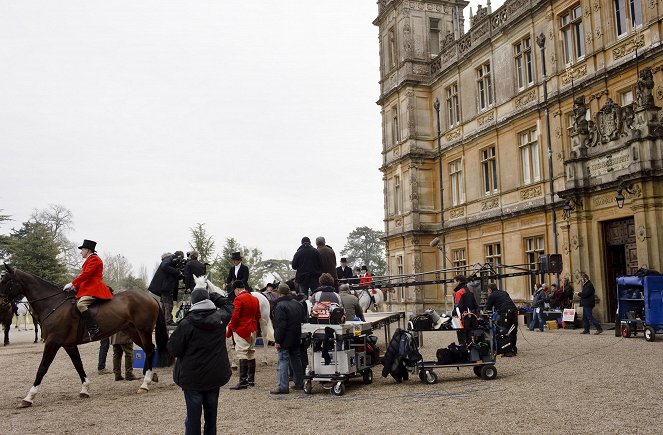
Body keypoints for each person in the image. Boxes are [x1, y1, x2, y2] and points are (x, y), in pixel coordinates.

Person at [167, 287, 233, 435]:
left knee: (193, 418)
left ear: (193, 302)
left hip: (192, 377)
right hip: (214, 375)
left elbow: (173, 349)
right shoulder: (221, 318)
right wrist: (214, 295)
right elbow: (229, 305)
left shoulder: (186, 323)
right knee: (211, 417)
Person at [63, 239, 113, 341]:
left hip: (94, 287)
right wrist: (74, 287)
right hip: (88, 286)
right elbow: (85, 278)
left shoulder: (95, 259)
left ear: (87, 250)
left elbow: (86, 275)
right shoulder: (90, 260)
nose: (81, 252)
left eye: (82, 249)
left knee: (81, 305)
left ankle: (94, 329)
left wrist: (72, 283)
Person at [270, 283, 307, 394]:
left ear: (279, 293)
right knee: (296, 360)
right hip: (296, 337)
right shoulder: (298, 304)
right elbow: (303, 321)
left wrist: (278, 340)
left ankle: (283, 387)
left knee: (283, 361)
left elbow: (280, 325)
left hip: (285, 339)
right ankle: (300, 383)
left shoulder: (280, 306)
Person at [226, 280, 261, 390]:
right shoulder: (255, 299)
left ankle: (243, 382)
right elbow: (258, 316)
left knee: (242, 353)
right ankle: (251, 380)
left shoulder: (239, 299)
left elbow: (235, 316)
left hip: (242, 328)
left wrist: (233, 328)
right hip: (253, 329)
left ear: (237, 289)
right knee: (251, 352)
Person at [148, 252, 183, 325]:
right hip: (166, 288)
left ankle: (163, 320)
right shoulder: (168, 260)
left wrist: (180, 274)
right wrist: (177, 272)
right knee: (168, 305)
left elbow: (171, 273)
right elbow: (165, 266)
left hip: (165, 288)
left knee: (164, 305)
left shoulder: (169, 262)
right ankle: (168, 321)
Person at [484, 283, 518, 357]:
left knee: (504, 331)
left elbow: (488, 308)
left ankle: (507, 351)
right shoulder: (504, 292)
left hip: (504, 313)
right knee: (513, 331)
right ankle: (513, 349)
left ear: (490, 289)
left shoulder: (492, 295)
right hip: (514, 311)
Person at [452, 275, 477, 345]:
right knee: (469, 338)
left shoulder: (459, 292)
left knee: (462, 339)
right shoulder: (469, 291)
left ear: (459, 282)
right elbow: (475, 305)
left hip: (462, 319)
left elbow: (457, 307)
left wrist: (453, 316)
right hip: (470, 317)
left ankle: (463, 354)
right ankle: (470, 354)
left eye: (454, 282)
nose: (454, 284)